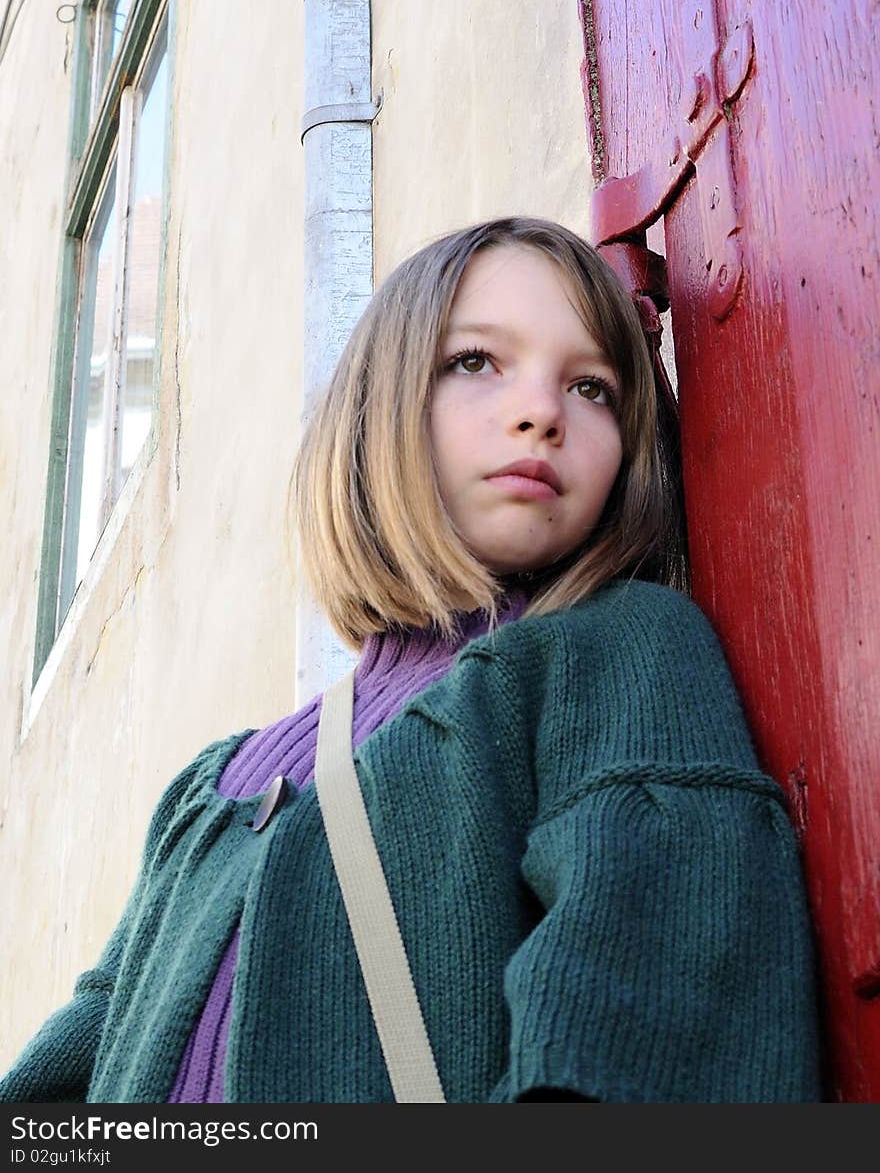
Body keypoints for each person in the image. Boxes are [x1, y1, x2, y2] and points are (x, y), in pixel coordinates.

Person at [0, 217, 822, 1103]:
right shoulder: (212, 786)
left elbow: (653, 1049)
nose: (541, 410)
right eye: (475, 362)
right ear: (379, 404)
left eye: (591, 387)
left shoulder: (623, 655)